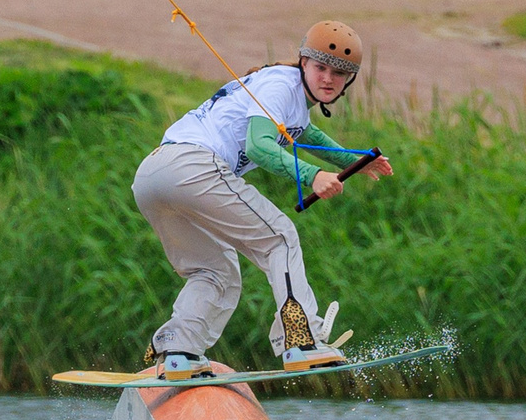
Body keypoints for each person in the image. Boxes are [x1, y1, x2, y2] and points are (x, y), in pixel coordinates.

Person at [129, 21, 390, 381]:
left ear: (350, 80)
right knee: (279, 238)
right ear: (303, 62)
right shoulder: (283, 85)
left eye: (339, 74)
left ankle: (179, 351)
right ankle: (301, 341)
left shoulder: (287, 95)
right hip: (193, 166)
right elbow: (259, 145)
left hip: (152, 176)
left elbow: (305, 133)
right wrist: (312, 175)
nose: (328, 79)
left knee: (215, 270)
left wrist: (352, 162)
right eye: (320, 68)